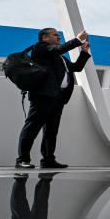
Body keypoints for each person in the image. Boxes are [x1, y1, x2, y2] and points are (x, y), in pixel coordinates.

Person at [15, 27, 91, 169]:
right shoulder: (40, 48)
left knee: (51, 130)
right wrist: (78, 40)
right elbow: (58, 49)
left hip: (58, 98)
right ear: (44, 38)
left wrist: (84, 52)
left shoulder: (60, 57)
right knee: (32, 127)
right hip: (42, 96)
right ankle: (22, 159)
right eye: (55, 35)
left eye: (58, 36)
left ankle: (48, 159)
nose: (59, 38)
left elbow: (76, 68)